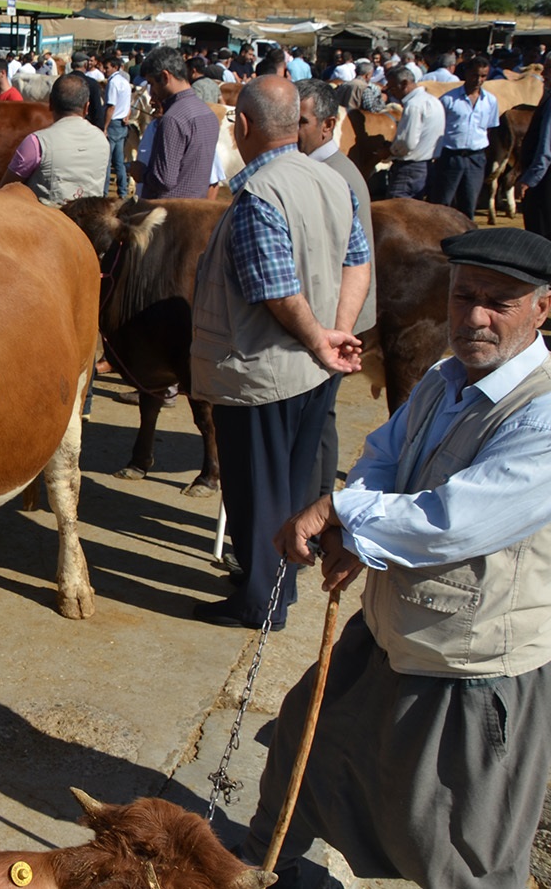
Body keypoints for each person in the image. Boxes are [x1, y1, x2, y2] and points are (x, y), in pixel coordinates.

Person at [244, 228, 551, 889]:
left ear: (541, 310)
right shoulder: (445, 378)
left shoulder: (544, 415)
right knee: (304, 749)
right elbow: (384, 454)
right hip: (388, 638)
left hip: (470, 671)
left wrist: (345, 514)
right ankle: (273, 876)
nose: (474, 315)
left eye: (498, 301)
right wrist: (355, 523)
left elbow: (450, 522)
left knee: (462, 850)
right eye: (464, 293)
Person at [190, 76, 370, 631]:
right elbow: (356, 261)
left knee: (256, 490)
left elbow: (272, 287)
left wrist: (319, 337)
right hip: (315, 368)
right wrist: (336, 333)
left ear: (242, 125)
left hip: (263, 371)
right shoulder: (331, 180)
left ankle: (259, 603)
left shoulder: (260, 194)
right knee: (292, 485)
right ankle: (276, 590)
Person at [296, 79, 378, 504]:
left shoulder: (332, 176)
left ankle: (310, 511)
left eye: (302, 122)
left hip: (330, 320)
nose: (294, 131)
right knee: (319, 419)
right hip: (333, 318)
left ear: (328, 125)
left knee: (312, 422)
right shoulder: (329, 170)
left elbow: (331, 264)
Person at [0, 74, 110, 206]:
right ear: (87, 107)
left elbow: (6, 188)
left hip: (47, 222)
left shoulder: (37, 142)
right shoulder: (102, 140)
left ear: (50, 104)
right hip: (90, 223)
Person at [137, 46, 221, 200]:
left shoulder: (173, 118)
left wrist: (141, 173)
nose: (152, 91)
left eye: (152, 84)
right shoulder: (207, 113)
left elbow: (164, 180)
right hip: (194, 211)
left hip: (168, 213)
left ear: (164, 77)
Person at [427, 57, 500, 217]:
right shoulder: (448, 100)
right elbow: (437, 127)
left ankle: (467, 240)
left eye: (483, 76)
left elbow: (490, 129)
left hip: (476, 158)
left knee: (469, 203)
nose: (478, 80)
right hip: (451, 156)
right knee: (443, 203)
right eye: (475, 75)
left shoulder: (490, 101)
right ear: (466, 73)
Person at [383, 66, 445, 199]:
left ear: (404, 84)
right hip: (426, 165)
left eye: (393, 88)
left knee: (396, 210)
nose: (392, 93)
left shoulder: (414, 105)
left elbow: (407, 143)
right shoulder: (434, 101)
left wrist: (390, 152)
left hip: (409, 168)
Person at [519, 91, 551, 239]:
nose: (543, 75)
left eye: (548, 70)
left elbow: (546, 147)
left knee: (540, 235)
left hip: (544, 181)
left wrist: (529, 179)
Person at [103, 56, 132, 197]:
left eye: (107, 67)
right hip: (122, 124)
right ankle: (123, 192)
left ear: (115, 67)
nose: (104, 70)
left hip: (113, 123)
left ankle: (104, 192)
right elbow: (128, 103)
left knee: (107, 162)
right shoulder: (125, 82)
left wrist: (105, 127)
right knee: (119, 162)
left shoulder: (113, 83)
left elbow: (111, 106)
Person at [68, 51, 107, 129]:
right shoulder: (92, 83)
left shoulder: (61, 81)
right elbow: (97, 110)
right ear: (85, 65)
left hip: (63, 125)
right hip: (85, 126)